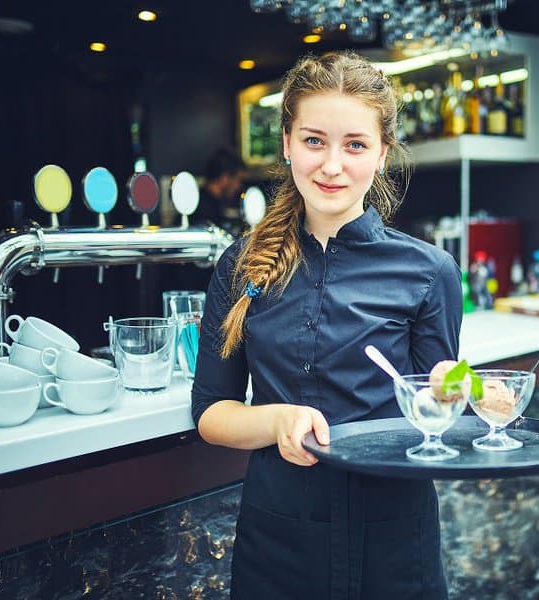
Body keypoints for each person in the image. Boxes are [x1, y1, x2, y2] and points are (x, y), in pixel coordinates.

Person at [191, 51, 462, 599]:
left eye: (355, 145)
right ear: (287, 143)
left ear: (382, 153)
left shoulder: (431, 271)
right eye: (314, 140)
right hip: (278, 535)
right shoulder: (240, 265)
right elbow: (212, 414)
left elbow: (434, 411)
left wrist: (448, 395)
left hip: (393, 536)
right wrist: (277, 421)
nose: (332, 165)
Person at [193, 147, 246, 235]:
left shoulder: (208, 203)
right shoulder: (204, 211)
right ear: (224, 179)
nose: (238, 187)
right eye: (238, 180)